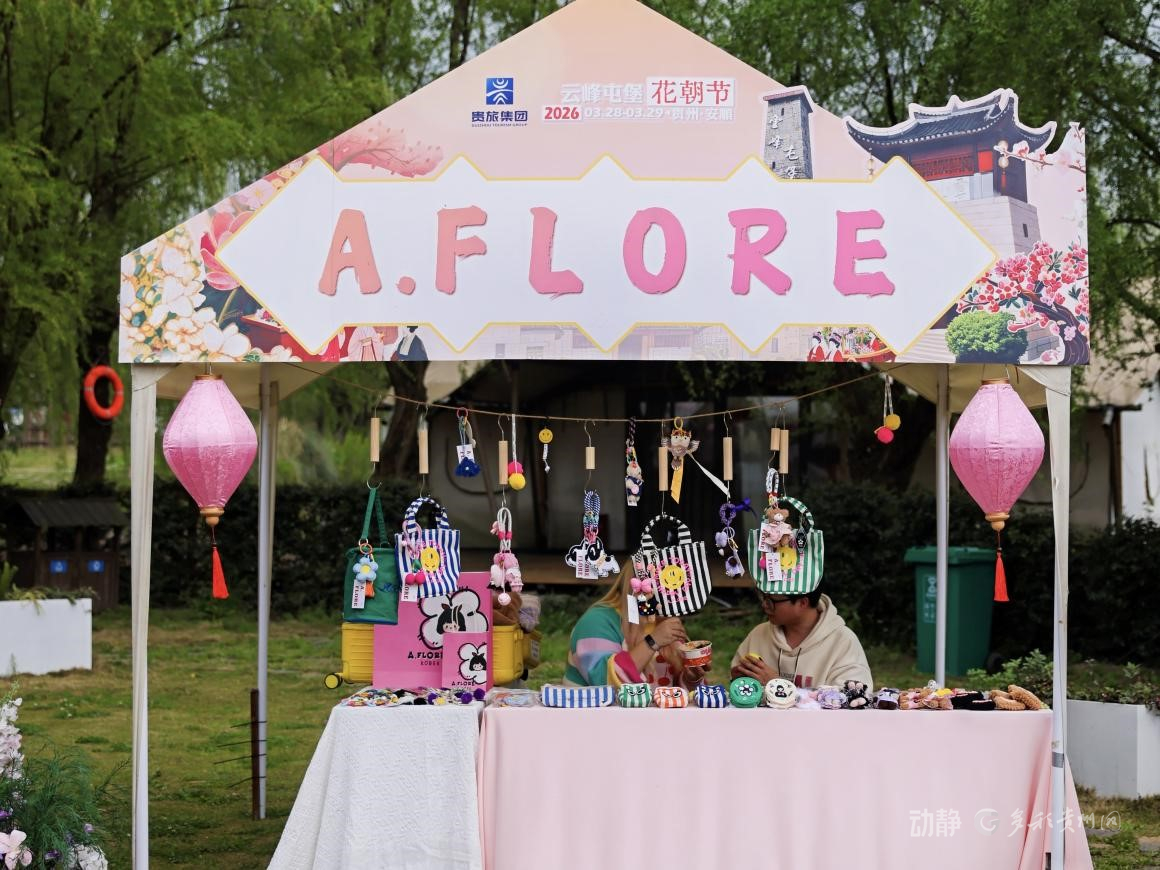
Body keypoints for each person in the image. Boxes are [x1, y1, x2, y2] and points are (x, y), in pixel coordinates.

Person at [564, 568, 707, 689]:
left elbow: (674, 692)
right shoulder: (596, 621)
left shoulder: (663, 622)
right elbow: (603, 683)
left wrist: (690, 678)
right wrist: (652, 642)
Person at [730, 585, 872, 690]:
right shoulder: (759, 634)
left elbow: (852, 700)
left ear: (802, 603)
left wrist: (777, 684)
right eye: (764, 597)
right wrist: (740, 682)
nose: (765, 605)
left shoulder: (842, 641)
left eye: (772, 601)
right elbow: (740, 695)